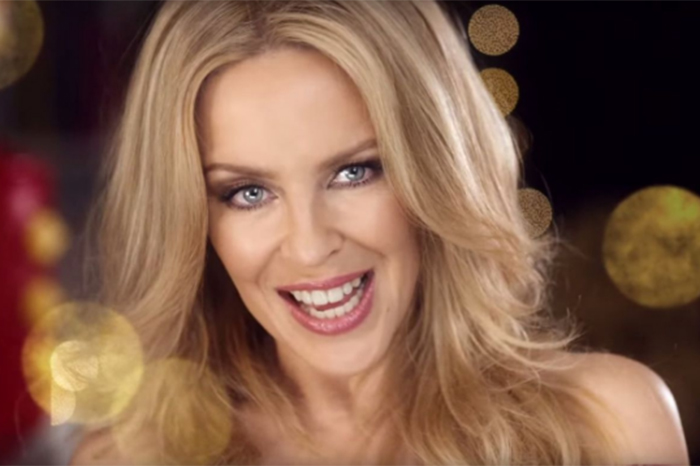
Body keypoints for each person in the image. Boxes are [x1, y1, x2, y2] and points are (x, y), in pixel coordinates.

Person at [70, 1, 689, 464]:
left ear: (438, 172)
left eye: (354, 172)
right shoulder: (131, 458)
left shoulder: (607, 427)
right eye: (248, 193)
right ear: (195, 221)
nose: (310, 246)